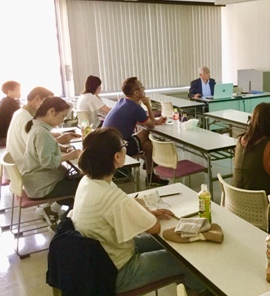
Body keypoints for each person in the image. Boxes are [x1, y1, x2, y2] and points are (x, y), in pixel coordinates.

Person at [70, 127, 208, 294]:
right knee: (187, 261)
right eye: (124, 144)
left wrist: (142, 210)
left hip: (103, 257)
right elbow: (155, 228)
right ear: (117, 156)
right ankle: (200, 290)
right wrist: (144, 211)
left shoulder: (89, 181)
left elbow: (122, 205)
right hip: (117, 272)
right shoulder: (111, 196)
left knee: (169, 244)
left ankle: (187, 284)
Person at [103, 77, 167, 184]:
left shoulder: (123, 101)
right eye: (142, 87)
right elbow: (150, 126)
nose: (144, 89)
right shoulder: (135, 107)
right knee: (147, 133)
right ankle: (151, 168)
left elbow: (140, 121)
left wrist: (156, 121)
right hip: (119, 147)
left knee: (148, 145)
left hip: (108, 145)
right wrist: (148, 106)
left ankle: (150, 176)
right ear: (136, 92)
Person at [22, 97, 81, 204]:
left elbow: (44, 147)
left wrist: (63, 148)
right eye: (62, 116)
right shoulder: (41, 132)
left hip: (37, 183)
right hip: (43, 187)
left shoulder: (37, 126)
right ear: (51, 111)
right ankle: (69, 216)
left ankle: (60, 209)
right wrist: (69, 156)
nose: (63, 120)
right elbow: (47, 162)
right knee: (84, 187)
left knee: (80, 179)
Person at [6, 87, 79, 172]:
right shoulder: (27, 119)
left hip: (28, 164)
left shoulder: (22, 113)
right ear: (37, 98)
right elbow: (40, 145)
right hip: (27, 167)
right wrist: (59, 140)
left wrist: (62, 145)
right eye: (46, 101)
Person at [0, 80, 21, 146]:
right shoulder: (10, 103)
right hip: (5, 138)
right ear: (9, 92)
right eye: (18, 90)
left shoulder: (5, 100)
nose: (20, 92)